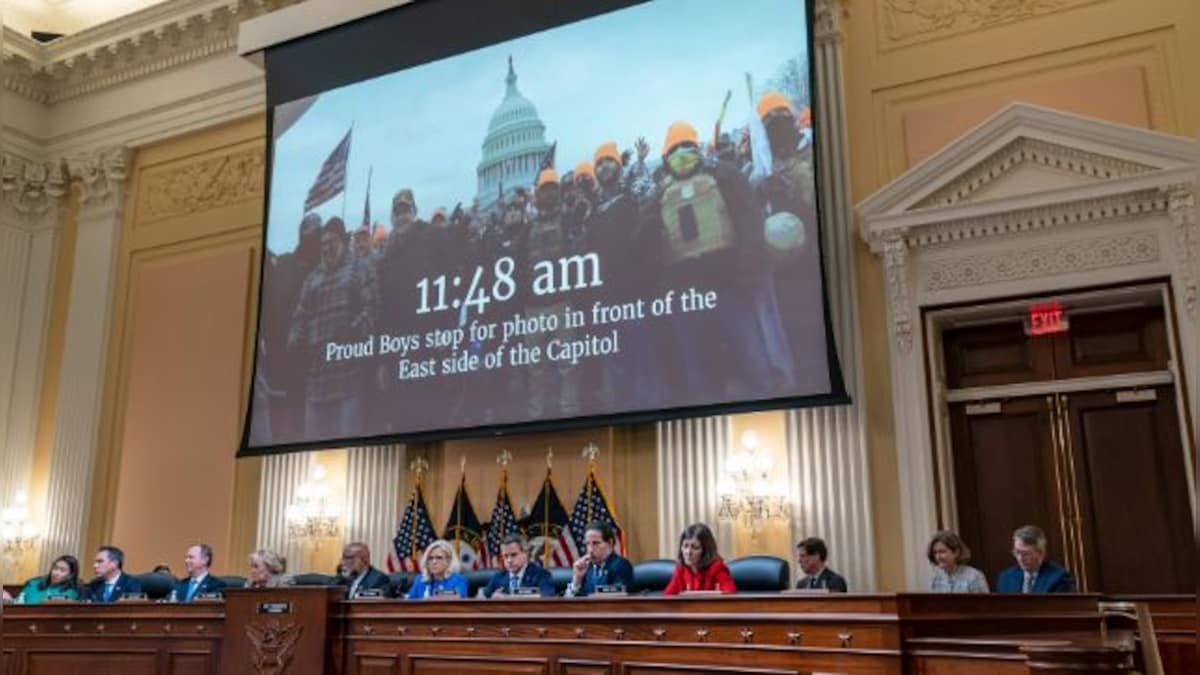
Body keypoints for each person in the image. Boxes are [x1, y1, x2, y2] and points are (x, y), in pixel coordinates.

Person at [287, 216, 379, 441]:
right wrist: (293, 341)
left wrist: (354, 331)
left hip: (348, 381)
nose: (327, 247)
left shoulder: (360, 268)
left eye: (333, 241)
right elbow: (300, 316)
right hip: (316, 383)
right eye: (323, 243)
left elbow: (373, 307)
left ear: (343, 241)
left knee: (348, 451)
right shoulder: (312, 278)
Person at [996, 525, 1078, 593]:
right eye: (1017, 552)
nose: (1020, 558)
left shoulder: (1060, 579)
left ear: (1041, 553)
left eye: (1026, 554)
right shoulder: (1006, 578)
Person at [664, 523, 736, 595]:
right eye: (685, 546)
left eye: (695, 547)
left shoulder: (717, 568)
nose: (688, 552)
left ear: (706, 551)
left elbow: (730, 595)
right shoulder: (681, 569)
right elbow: (667, 597)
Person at [565, 521, 633, 597]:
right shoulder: (586, 567)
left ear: (610, 542)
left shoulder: (620, 565)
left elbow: (618, 599)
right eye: (587, 544)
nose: (590, 549)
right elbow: (567, 604)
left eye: (596, 543)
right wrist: (577, 580)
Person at [481, 534, 556, 598]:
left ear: (525, 554)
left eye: (514, 555)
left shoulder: (541, 574)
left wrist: (509, 597)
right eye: (505, 556)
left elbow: (546, 596)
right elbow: (481, 598)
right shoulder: (498, 577)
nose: (509, 560)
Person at [14, 555, 81, 604]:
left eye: (62, 570)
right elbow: (18, 603)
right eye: (55, 568)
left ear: (71, 575)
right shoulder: (33, 584)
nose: (56, 573)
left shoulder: (73, 592)